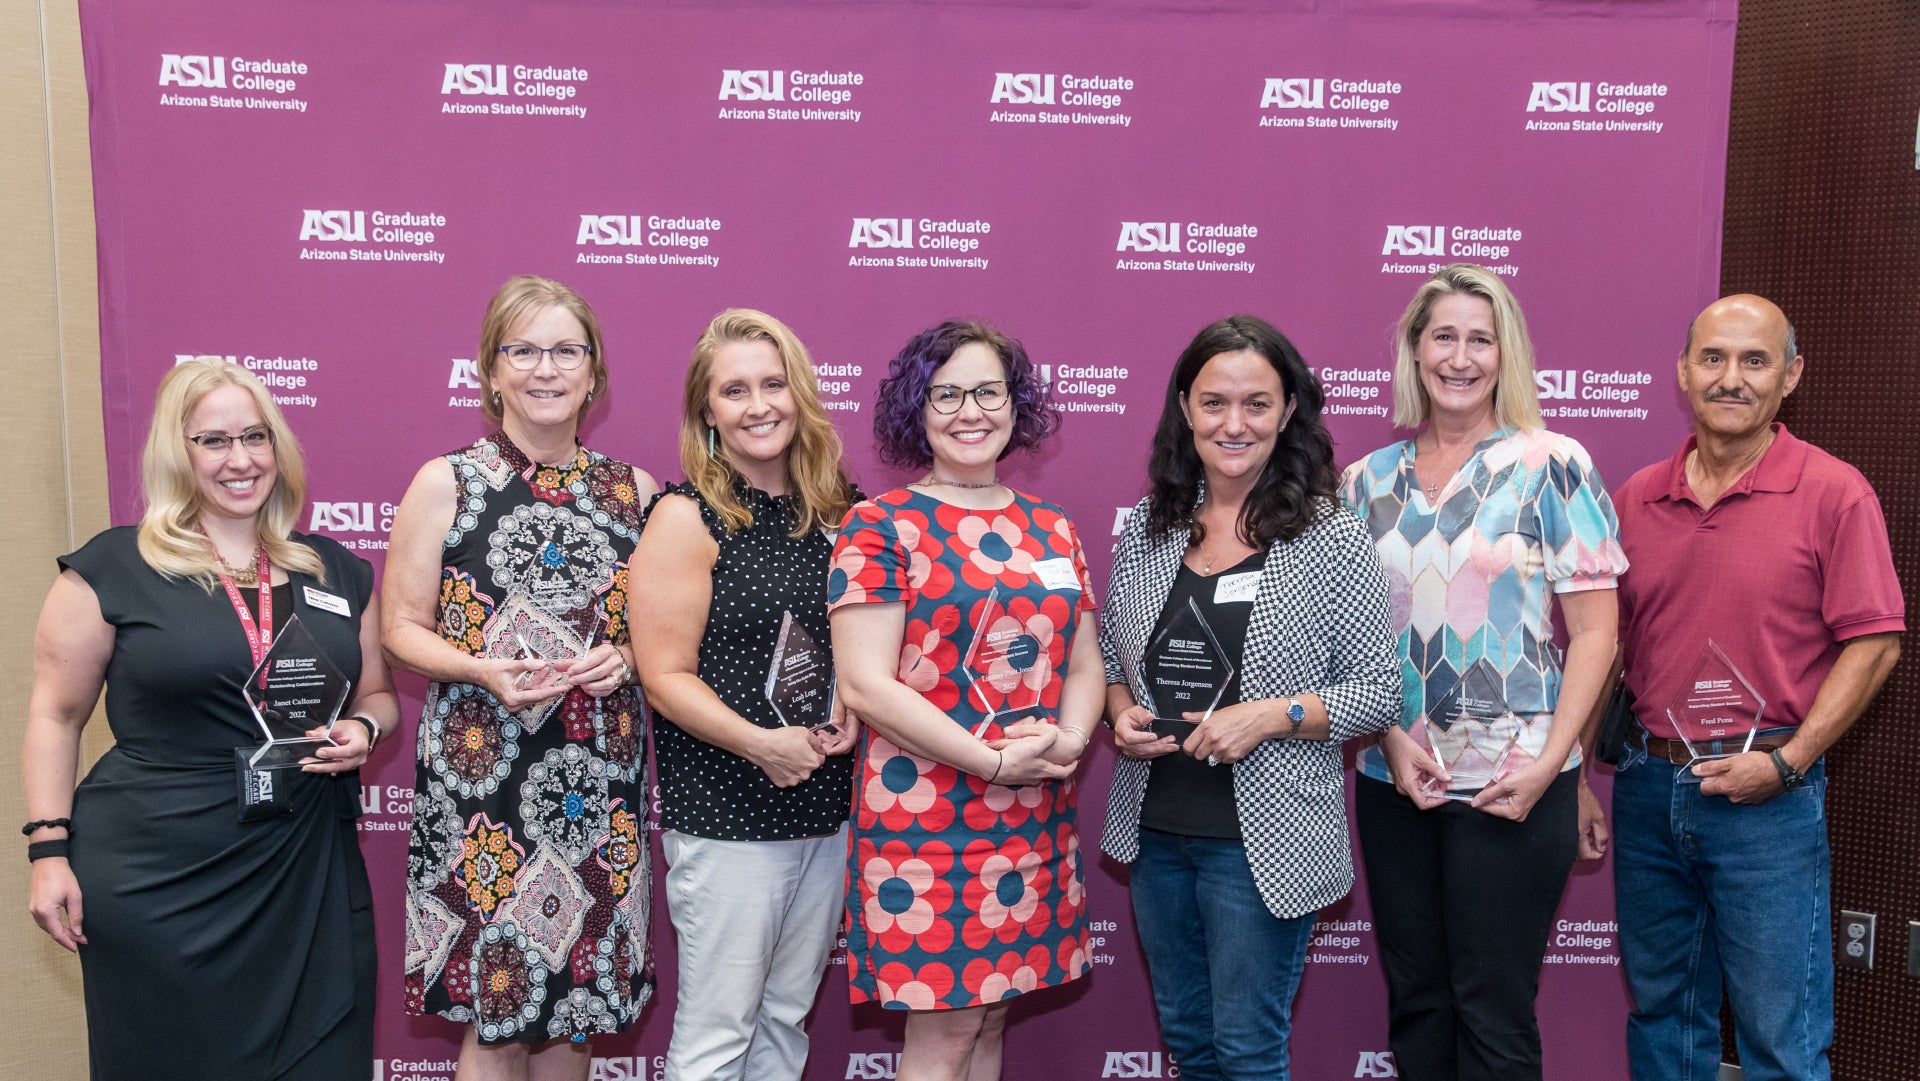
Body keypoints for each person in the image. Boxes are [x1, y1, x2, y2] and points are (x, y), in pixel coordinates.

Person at [23, 359, 395, 1080]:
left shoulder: (336, 571)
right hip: (160, 878)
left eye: (255, 436)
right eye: (213, 440)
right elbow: (55, 714)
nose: (241, 458)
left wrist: (367, 730)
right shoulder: (111, 568)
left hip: (306, 871)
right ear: (177, 451)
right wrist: (48, 853)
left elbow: (376, 694)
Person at [1340, 263, 1626, 1080]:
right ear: (1414, 350)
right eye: (1443, 337)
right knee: (1420, 1004)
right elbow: (1348, 639)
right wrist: (1388, 739)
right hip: (1396, 778)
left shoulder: (1553, 462)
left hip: (1515, 781)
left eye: (1480, 338)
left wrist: (1552, 768)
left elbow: (1597, 636)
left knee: (1493, 1012)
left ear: (1506, 355)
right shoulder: (1364, 482)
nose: (1460, 357)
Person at [1610, 295, 1902, 1081]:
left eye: (1753, 360)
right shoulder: (1637, 496)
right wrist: (1576, 773)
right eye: (1712, 358)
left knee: (1782, 1037)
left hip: (1767, 800)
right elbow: (1607, 646)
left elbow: (1874, 644)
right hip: (1647, 788)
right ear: (1682, 372)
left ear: (1790, 375)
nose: (1730, 378)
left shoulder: (1834, 492)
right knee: (1662, 1020)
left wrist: (1788, 763)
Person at [1101, 315, 1400, 1081]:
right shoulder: (1147, 528)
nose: (1234, 424)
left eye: (1257, 403)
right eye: (1214, 402)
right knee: (1189, 1043)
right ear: (1184, 406)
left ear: (1289, 411)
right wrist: (1116, 707)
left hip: (1261, 843)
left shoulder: (1330, 534)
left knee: (1246, 1049)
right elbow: (1109, 655)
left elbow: (1376, 691)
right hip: (1157, 829)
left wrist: (1267, 716)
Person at [384, 275, 657, 1079]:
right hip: (484, 784)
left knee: (576, 1011)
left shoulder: (633, 492)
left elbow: (661, 638)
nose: (546, 368)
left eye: (566, 350)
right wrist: (479, 668)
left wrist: (630, 658)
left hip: (597, 783)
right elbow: (398, 629)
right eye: (524, 350)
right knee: (498, 1015)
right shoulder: (447, 482)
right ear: (491, 370)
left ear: (594, 371)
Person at [828, 320, 1101, 1081]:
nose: (968, 411)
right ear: (917, 409)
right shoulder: (879, 525)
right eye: (945, 394)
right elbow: (864, 684)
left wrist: (1071, 742)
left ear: (1017, 406)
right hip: (927, 824)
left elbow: (1084, 662)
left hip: (1033, 812)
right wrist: (992, 761)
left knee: (986, 1024)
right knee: (944, 1038)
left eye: (987, 391)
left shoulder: (1052, 529)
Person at [630, 309, 860, 1081]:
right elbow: (663, 673)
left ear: (800, 394)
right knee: (717, 1033)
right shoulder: (684, 517)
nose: (759, 404)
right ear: (708, 411)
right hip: (727, 814)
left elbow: (859, 648)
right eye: (735, 389)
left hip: (823, 809)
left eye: (773, 383)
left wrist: (849, 711)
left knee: (785, 1021)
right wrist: (761, 742)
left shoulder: (842, 514)